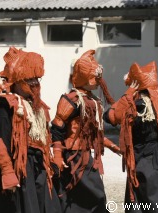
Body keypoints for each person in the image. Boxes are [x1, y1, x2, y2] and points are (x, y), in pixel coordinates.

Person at [0, 47, 62, 213]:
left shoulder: (38, 107)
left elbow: (45, 137)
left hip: (38, 166)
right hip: (20, 168)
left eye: (37, 79)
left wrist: (52, 159)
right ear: (18, 81)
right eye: (30, 80)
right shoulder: (7, 106)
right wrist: (7, 171)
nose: (35, 84)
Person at [103, 61, 158, 213]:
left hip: (143, 164)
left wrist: (129, 92)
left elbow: (111, 116)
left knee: (143, 204)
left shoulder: (136, 105)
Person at [50, 49, 121, 213]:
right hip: (73, 158)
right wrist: (58, 156)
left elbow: (95, 133)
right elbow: (57, 128)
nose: (97, 82)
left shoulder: (92, 100)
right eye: (94, 78)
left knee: (92, 197)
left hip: (86, 157)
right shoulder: (71, 99)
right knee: (92, 195)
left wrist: (112, 146)